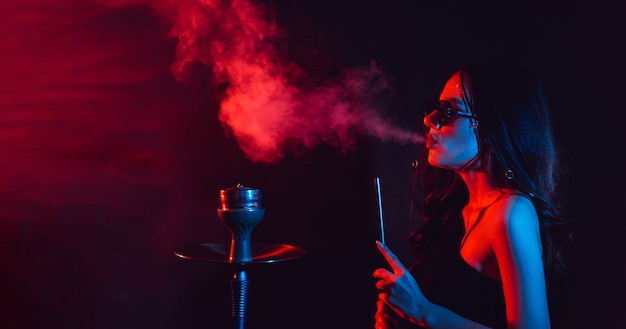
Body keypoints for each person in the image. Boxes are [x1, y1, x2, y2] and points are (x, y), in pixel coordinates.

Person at [372, 61, 571, 329]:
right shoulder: (458, 210)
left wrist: (422, 311)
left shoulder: (512, 212)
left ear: (492, 124)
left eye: (447, 112)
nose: (429, 122)